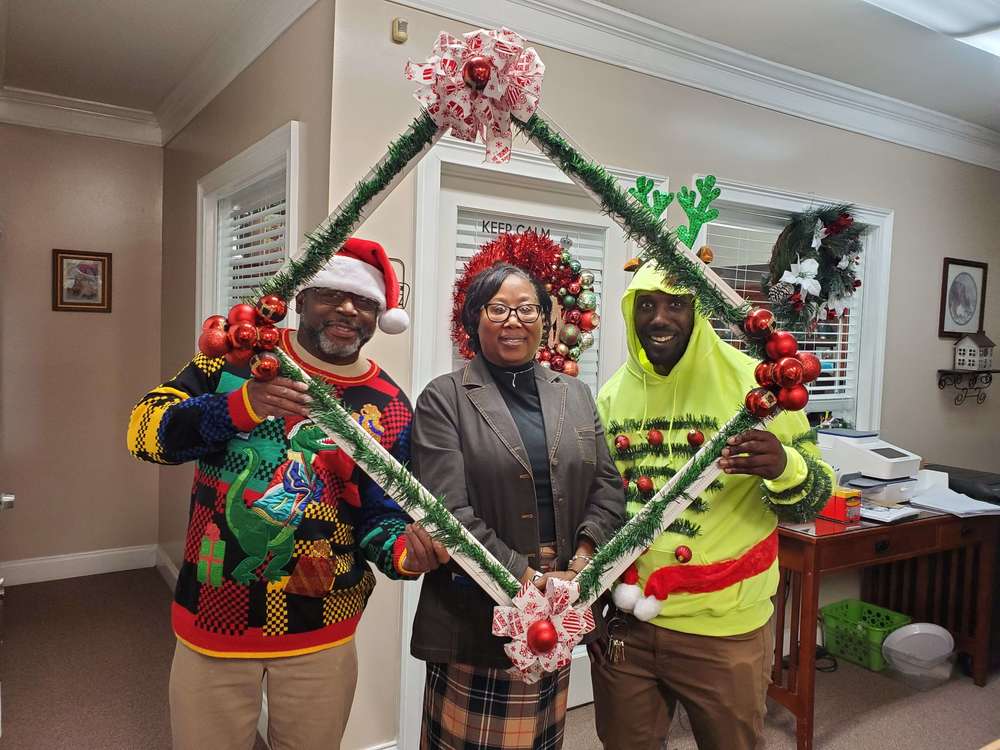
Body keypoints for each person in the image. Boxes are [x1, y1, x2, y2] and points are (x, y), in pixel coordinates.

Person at [127, 238, 448, 750]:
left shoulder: (388, 404)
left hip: (322, 624)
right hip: (215, 613)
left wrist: (405, 552)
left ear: (378, 315)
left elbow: (380, 516)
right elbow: (144, 434)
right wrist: (239, 407)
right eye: (331, 294)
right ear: (299, 300)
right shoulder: (238, 360)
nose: (347, 309)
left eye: (364, 301)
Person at [590, 262, 835, 750]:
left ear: (697, 311)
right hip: (628, 625)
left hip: (724, 629)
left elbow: (818, 493)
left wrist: (783, 464)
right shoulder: (612, 395)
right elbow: (601, 500)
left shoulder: (758, 389)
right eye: (646, 305)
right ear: (630, 312)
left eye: (675, 304)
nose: (660, 318)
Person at [409, 262, 626, 749]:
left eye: (527, 308)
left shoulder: (574, 392)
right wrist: (528, 583)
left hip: (566, 590)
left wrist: (582, 565)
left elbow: (607, 485)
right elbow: (447, 511)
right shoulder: (444, 398)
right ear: (474, 319)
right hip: (479, 602)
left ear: (547, 320)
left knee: (541, 739)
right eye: (499, 308)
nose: (514, 320)